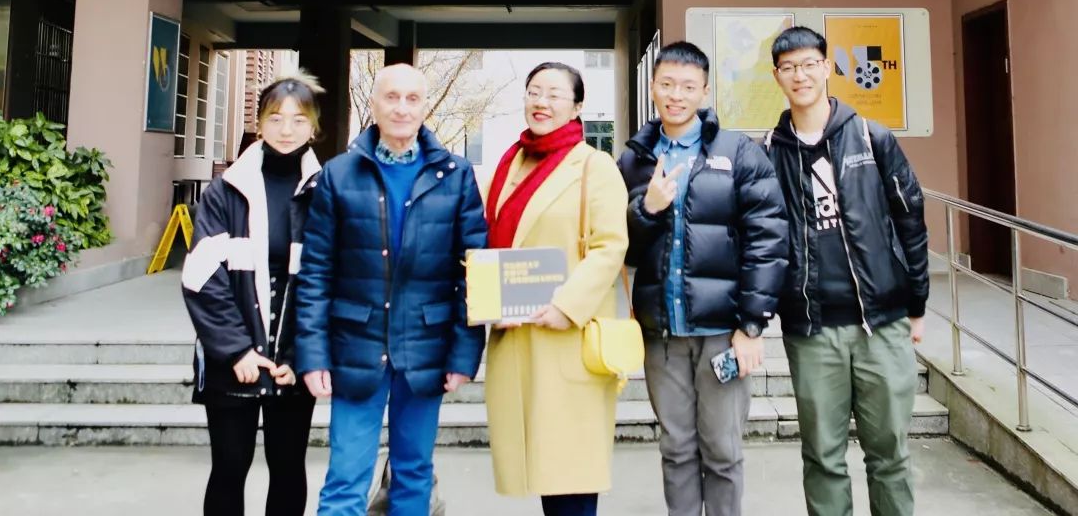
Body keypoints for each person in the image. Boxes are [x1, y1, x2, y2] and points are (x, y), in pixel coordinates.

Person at [295, 62, 487, 516]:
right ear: (375, 104)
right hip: (356, 345)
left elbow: (472, 272)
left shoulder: (455, 175)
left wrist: (463, 355)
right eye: (392, 97)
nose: (402, 108)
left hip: (425, 348)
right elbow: (316, 271)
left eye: (412, 98)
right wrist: (313, 354)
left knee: (413, 472)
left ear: (425, 106)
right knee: (346, 477)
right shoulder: (339, 173)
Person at [617, 41, 788, 516]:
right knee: (675, 448)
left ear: (705, 91)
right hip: (662, 333)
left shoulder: (738, 152)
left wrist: (752, 325)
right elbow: (620, 247)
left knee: (723, 451)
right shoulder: (634, 159)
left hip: (721, 332)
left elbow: (768, 240)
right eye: (667, 84)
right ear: (653, 87)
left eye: (688, 86)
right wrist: (647, 209)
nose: (676, 95)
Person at [765, 26, 929, 516]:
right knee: (823, 457)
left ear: (826, 67)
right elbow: (760, 236)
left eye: (809, 64)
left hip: (881, 324)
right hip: (812, 329)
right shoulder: (769, 150)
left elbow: (911, 220)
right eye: (789, 67)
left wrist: (917, 303)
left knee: (890, 455)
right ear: (777, 76)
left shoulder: (872, 137)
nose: (800, 75)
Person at [484, 62, 629, 516]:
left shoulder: (594, 166)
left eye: (553, 94)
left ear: (577, 107)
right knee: (543, 469)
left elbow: (610, 246)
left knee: (571, 473)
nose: (541, 103)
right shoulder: (510, 163)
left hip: (568, 335)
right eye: (534, 92)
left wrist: (567, 306)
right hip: (516, 332)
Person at [182, 71, 325, 516]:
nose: (286, 130)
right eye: (276, 118)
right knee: (229, 466)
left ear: (313, 127)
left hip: (291, 361)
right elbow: (202, 276)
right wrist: (237, 350)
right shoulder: (225, 190)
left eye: (298, 120)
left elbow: (328, 282)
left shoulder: (325, 193)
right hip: (232, 358)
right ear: (259, 123)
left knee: (288, 468)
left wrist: (300, 356)